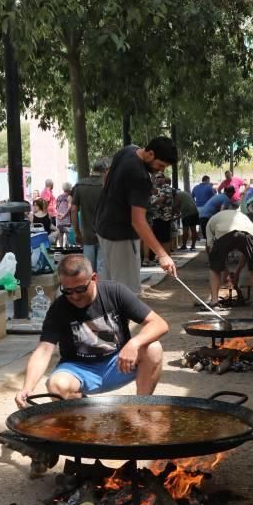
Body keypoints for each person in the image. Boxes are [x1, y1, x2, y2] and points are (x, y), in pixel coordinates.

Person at [16, 254, 168, 407]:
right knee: (56, 385)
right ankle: (80, 417)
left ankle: (141, 408)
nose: (74, 296)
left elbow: (159, 323)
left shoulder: (115, 292)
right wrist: (27, 388)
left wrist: (134, 343)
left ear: (94, 278)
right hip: (78, 368)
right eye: (67, 291)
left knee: (153, 348)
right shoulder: (58, 308)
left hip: (117, 362)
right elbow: (44, 350)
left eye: (80, 289)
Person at [94, 137, 179, 292]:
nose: (161, 170)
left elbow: (107, 178)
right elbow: (138, 221)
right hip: (121, 236)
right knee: (126, 292)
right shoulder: (140, 177)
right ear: (150, 154)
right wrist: (162, 255)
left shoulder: (128, 150)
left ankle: (108, 315)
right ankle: (121, 316)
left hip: (103, 227)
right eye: (160, 165)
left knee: (108, 288)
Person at [205, 209, 253, 310]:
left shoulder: (210, 222)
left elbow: (210, 248)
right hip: (247, 230)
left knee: (214, 268)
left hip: (223, 232)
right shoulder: (243, 216)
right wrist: (236, 271)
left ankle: (214, 302)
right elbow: (247, 254)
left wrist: (222, 268)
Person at [72, 157, 110, 274]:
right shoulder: (107, 187)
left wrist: (77, 232)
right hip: (105, 233)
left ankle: (90, 291)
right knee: (102, 270)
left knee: (88, 270)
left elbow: (73, 210)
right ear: (106, 170)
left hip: (86, 235)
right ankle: (100, 291)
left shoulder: (80, 185)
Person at [55, 182, 73, 246]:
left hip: (59, 218)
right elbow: (69, 207)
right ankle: (68, 249)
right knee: (68, 234)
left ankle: (61, 248)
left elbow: (56, 207)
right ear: (69, 188)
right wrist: (64, 215)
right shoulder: (69, 197)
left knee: (60, 234)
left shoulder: (59, 197)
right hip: (66, 218)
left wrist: (59, 214)